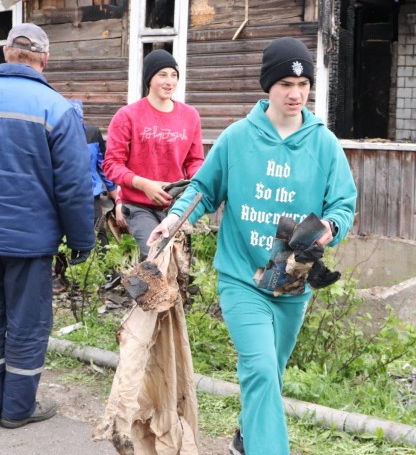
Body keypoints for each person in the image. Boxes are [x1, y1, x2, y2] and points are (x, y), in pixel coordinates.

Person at [148, 37, 358, 455]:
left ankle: (246, 438)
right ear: (268, 86)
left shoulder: (324, 144)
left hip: (292, 281)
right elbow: (204, 188)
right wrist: (173, 219)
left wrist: (330, 228)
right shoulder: (238, 138)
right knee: (259, 367)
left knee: (270, 373)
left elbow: (342, 203)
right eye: (284, 83)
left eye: (303, 84)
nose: (295, 93)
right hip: (242, 277)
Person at [0, 23, 94, 430]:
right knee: (26, 323)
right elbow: (75, 185)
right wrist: (81, 239)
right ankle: (17, 409)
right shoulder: (56, 108)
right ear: (44, 60)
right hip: (29, 240)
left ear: (4, 54)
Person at [103, 48, 205, 259]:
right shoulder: (127, 116)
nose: (170, 81)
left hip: (176, 205)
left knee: (178, 263)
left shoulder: (190, 116)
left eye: (174, 75)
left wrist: (203, 181)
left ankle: (146, 289)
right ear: (149, 78)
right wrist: (144, 184)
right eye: (163, 75)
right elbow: (112, 164)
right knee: (157, 254)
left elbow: (194, 161)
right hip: (138, 205)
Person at [52, 99, 119, 294]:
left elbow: (102, 165)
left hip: (90, 194)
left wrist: (116, 195)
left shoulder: (92, 133)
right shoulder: (55, 134)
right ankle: (60, 276)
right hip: (60, 195)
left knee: (99, 233)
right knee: (60, 235)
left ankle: (109, 273)